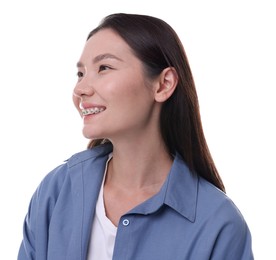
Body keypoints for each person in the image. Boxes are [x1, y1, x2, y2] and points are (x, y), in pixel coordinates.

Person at [18, 13, 254, 260]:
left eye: (104, 68)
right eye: (80, 74)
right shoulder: (55, 191)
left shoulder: (219, 225)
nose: (80, 89)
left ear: (163, 84)